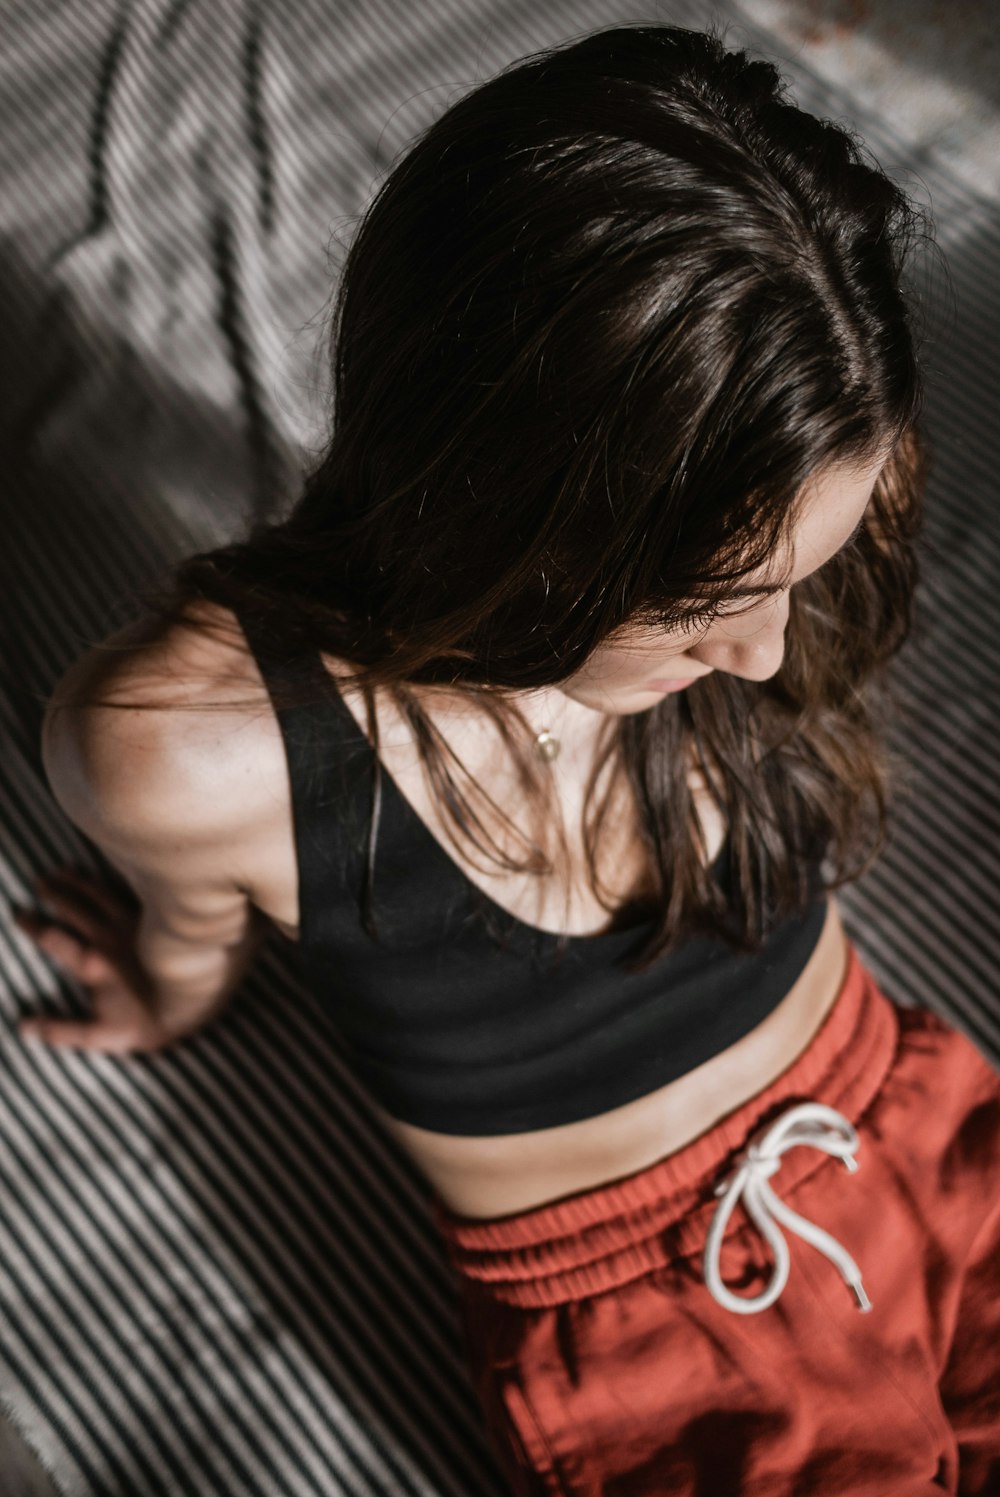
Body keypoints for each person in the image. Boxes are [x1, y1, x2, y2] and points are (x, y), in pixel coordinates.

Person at [12, 22, 1000, 1496]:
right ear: (506, 516)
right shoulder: (195, 752)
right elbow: (196, 927)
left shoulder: (810, 457)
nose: (775, 657)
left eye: (806, 569)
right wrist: (164, 988)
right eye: (707, 610)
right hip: (666, 1333)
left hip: (920, 1128)